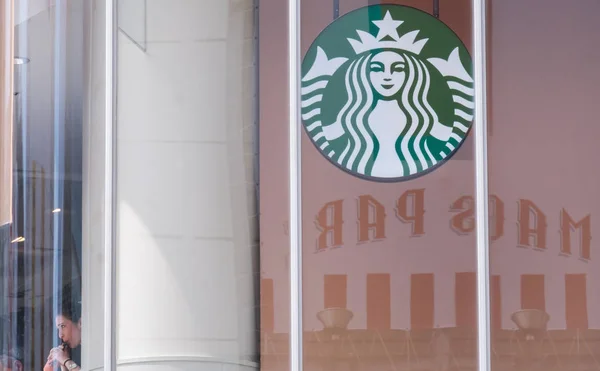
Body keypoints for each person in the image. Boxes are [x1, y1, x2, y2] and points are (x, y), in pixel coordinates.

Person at [44, 301, 81, 371]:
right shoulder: (76, 354)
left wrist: (65, 360)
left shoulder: (98, 347)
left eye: (63, 326)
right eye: (58, 329)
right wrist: (62, 363)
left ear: (80, 323)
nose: (60, 335)